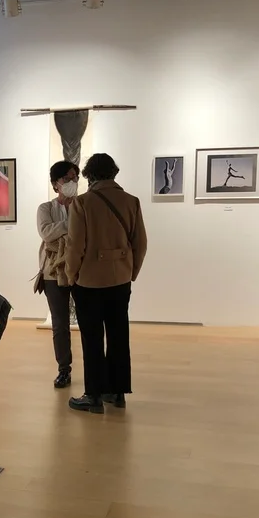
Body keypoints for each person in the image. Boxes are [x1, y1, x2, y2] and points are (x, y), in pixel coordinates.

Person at [65, 153, 147, 414]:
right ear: (114, 173)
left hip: (89, 282)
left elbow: (75, 246)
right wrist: (131, 272)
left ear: (89, 175)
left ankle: (93, 396)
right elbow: (140, 243)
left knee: (91, 338)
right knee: (119, 334)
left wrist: (70, 275)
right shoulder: (131, 201)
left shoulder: (82, 203)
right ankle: (117, 393)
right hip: (120, 280)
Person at [37, 160, 79, 388]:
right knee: (60, 324)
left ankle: (94, 371)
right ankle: (64, 369)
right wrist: (72, 224)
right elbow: (46, 233)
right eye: (67, 178)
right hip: (53, 272)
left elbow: (86, 235)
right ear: (55, 184)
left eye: (75, 177)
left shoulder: (83, 205)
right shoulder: (45, 208)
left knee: (88, 321)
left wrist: (61, 230)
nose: (72, 182)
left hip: (80, 270)